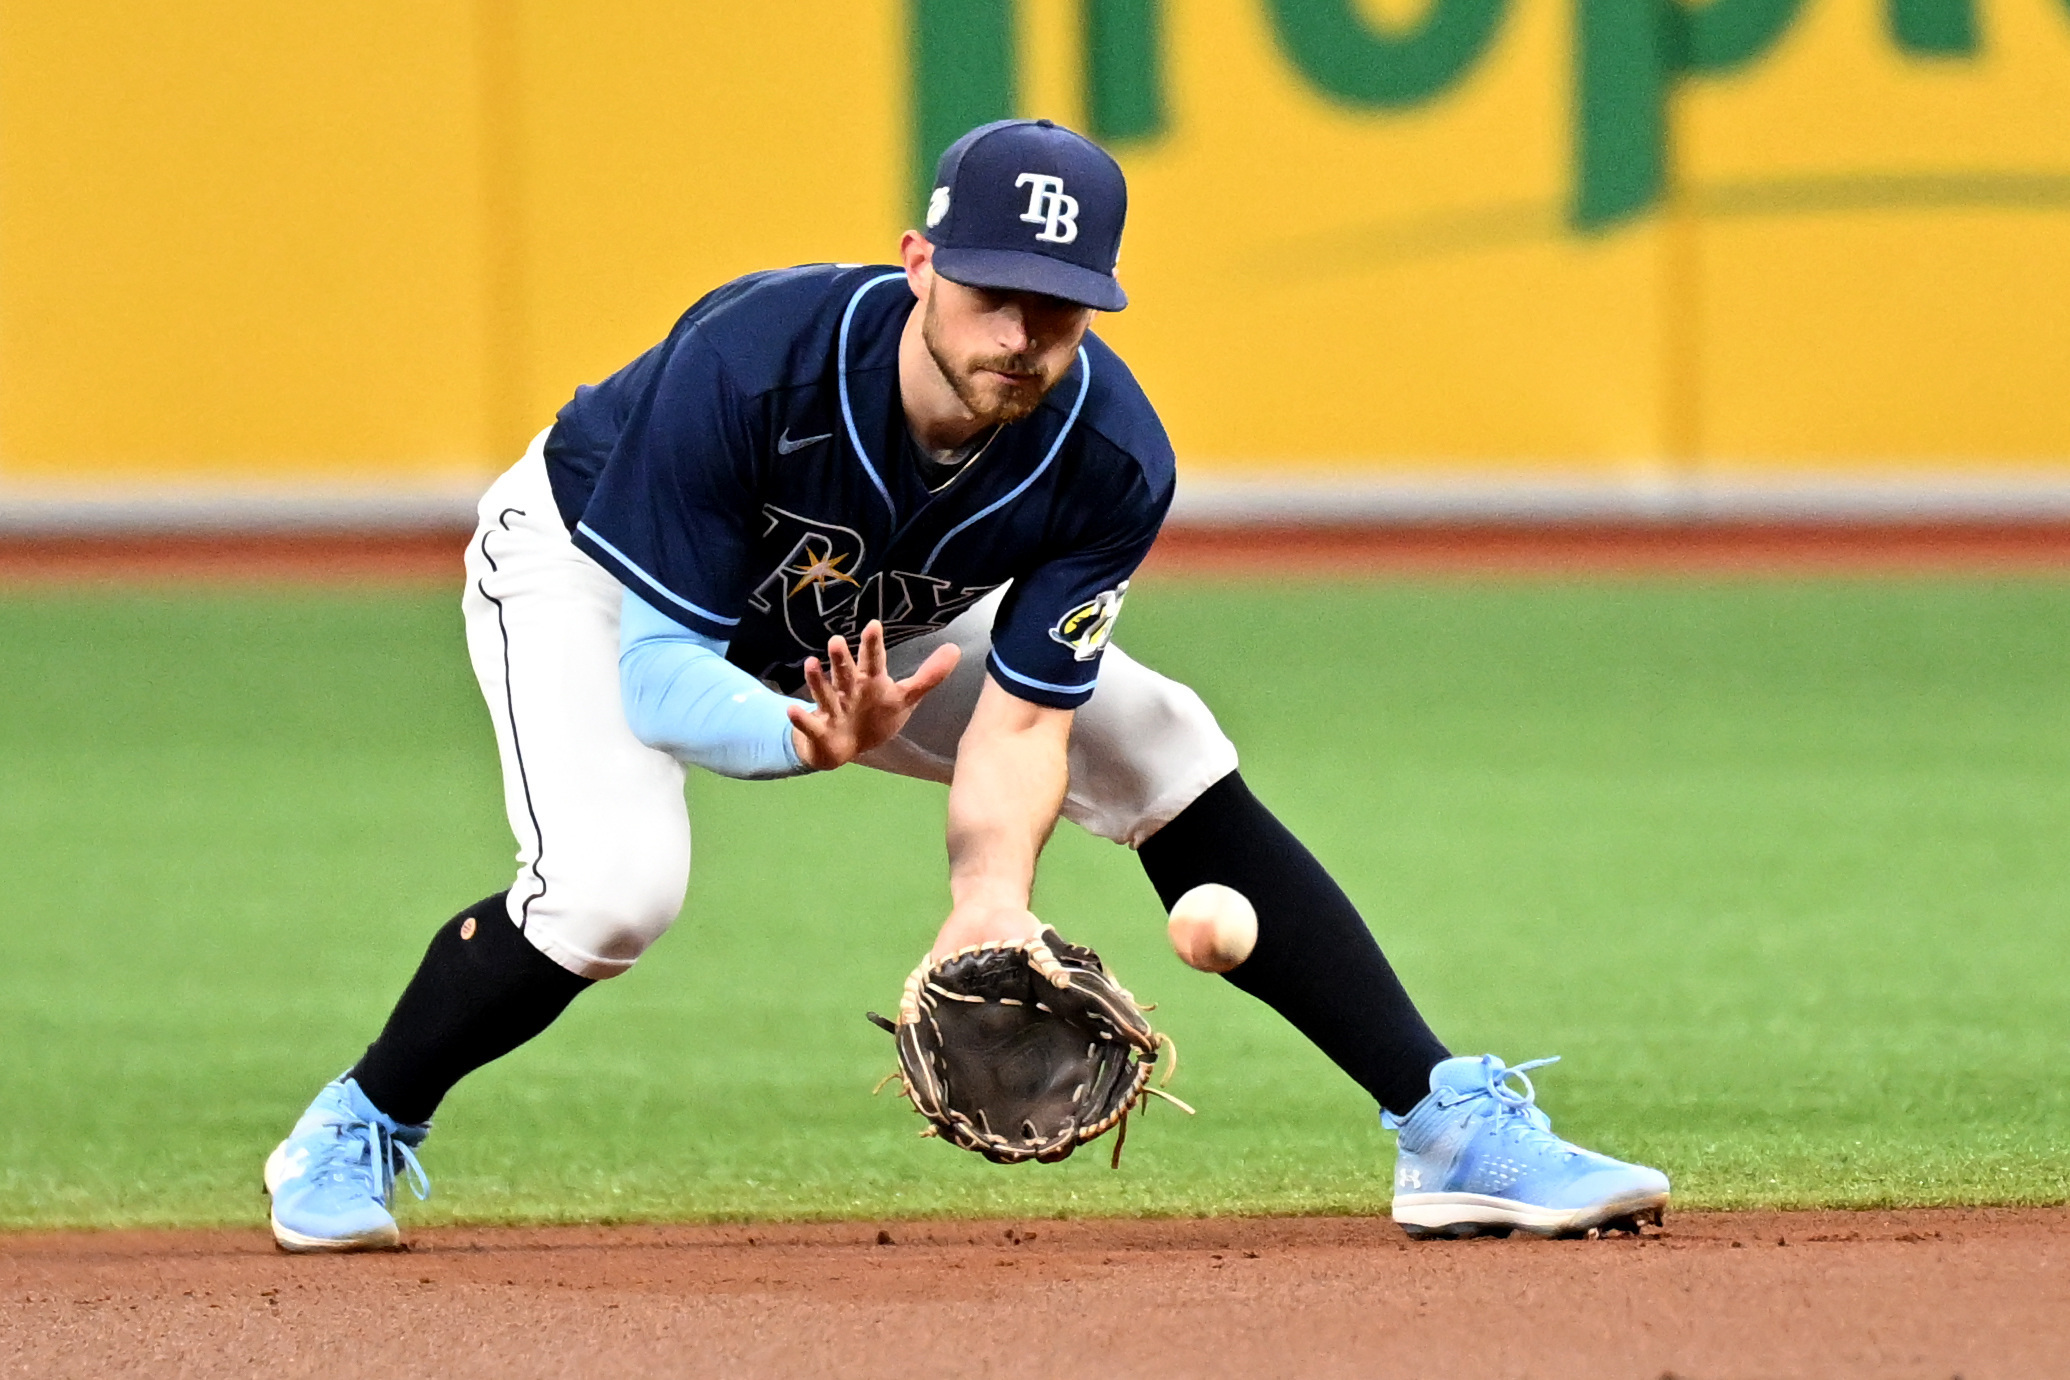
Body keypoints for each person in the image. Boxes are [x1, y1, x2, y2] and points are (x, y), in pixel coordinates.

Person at [263, 119, 1668, 1252]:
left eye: (1059, 311)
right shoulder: (752, 366)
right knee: (614, 890)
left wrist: (985, 898)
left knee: (1159, 735)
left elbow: (1025, 712)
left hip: (872, 618)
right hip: (598, 578)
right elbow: (659, 678)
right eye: (992, 292)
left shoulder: (1106, 455)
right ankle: (361, 1118)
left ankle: (1446, 1130)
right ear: (918, 258)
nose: (1020, 334)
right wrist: (803, 735)